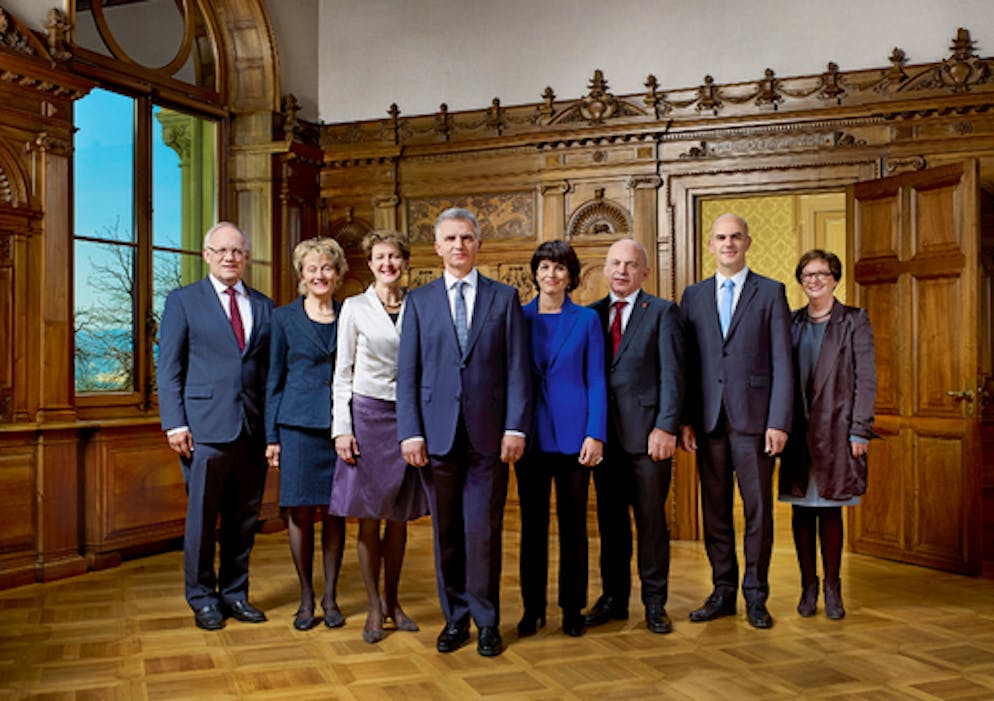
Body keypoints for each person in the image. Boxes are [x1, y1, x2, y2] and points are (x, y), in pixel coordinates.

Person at [397, 207, 531, 657]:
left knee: (483, 532)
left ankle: (487, 620)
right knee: (446, 533)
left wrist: (515, 426)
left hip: (489, 438)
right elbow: (408, 373)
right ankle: (455, 619)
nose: (459, 246)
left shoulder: (503, 298)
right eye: (451, 239)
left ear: (478, 244)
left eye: (467, 238)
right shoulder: (419, 301)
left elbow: (517, 369)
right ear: (437, 247)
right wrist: (409, 432)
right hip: (435, 437)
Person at [158, 221, 274, 631]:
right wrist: (174, 423)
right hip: (203, 430)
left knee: (244, 519)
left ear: (246, 257)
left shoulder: (264, 305)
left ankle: (235, 593)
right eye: (222, 250)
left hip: (252, 430)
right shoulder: (183, 301)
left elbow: (266, 374)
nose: (230, 258)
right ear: (206, 255)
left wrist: (271, 432)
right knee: (203, 520)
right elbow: (168, 368)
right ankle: (202, 597)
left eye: (237, 251)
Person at [680, 213, 793, 630]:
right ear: (710, 245)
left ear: (748, 242)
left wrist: (779, 421)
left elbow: (784, 361)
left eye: (735, 237)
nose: (728, 244)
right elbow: (687, 365)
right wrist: (686, 420)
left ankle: (756, 595)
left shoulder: (771, 292)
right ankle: (723, 592)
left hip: (756, 423)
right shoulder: (692, 296)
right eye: (721, 237)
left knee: (758, 512)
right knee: (714, 512)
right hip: (708, 424)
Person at [332, 231, 430, 644]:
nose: (387, 263)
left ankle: (393, 602)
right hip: (368, 417)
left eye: (394, 257)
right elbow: (342, 373)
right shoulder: (354, 308)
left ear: (405, 262)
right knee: (370, 516)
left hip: (408, 419)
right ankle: (373, 607)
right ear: (369, 264)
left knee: (400, 518)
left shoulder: (421, 305)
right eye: (379, 257)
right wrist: (342, 428)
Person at [585, 238, 684, 635]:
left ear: (645, 271)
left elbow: (674, 376)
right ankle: (613, 599)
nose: (622, 270)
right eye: (615, 263)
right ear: (605, 269)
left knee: (650, 523)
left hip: (648, 440)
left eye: (631, 264)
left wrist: (666, 426)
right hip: (604, 440)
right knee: (610, 524)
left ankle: (655, 603)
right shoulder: (590, 315)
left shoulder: (662, 312)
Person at [779, 250, 876, 620]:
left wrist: (860, 430)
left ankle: (833, 588)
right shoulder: (790, 323)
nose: (814, 280)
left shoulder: (854, 320)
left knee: (830, 511)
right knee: (801, 511)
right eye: (807, 275)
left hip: (838, 432)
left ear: (835, 279)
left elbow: (865, 380)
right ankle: (809, 585)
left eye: (821, 274)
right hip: (798, 435)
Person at [516, 241, 606, 638]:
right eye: (545, 267)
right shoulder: (517, 318)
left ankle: (572, 608)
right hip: (531, 437)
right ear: (535, 273)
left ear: (571, 276)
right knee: (531, 529)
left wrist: (595, 433)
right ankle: (531, 608)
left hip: (574, 439)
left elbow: (597, 379)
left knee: (573, 529)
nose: (551, 275)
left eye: (560, 268)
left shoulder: (586, 320)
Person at [264, 237, 348, 631]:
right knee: (299, 512)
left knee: (336, 513)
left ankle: (331, 597)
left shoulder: (352, 313)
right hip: (296, 426)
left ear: (338, 273)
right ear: (301, 274)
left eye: (327, 268)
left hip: (342, 428)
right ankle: (306, 597)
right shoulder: (283, 319)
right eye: (312, 268)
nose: (320, 275)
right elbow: (273, 381)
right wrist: (271, 437)